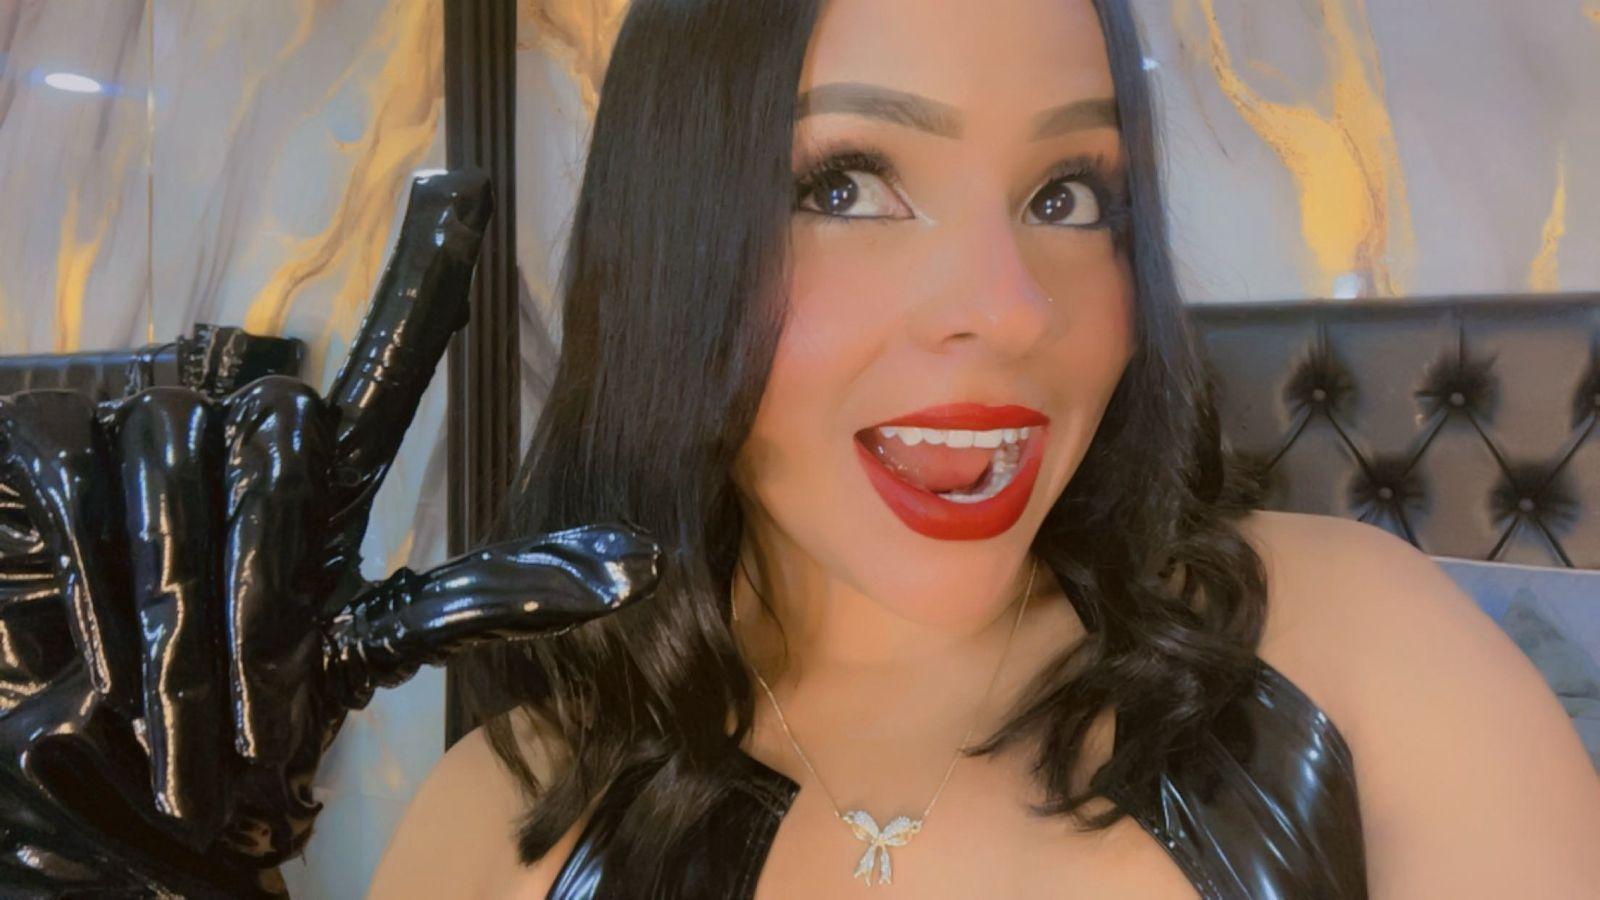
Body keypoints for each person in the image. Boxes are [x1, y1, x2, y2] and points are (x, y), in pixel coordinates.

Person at [372, 0, 1600, 897]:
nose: (1012, 310)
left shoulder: (1355, 646)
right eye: (847, 186)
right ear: (664, 250)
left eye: (1067, 195)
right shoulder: (503, 814)